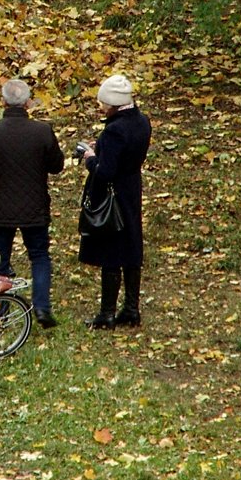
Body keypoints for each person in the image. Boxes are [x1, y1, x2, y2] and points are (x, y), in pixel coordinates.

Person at [0, 79, 65, 328]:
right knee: (40, 256)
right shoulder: (42, 132)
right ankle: (42, 308)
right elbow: (57, 166)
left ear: (3, 102)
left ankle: (0, 310)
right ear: (28, 103)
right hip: (35, 208)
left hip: (0, 209)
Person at [79, 74, 151, 329]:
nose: (100, 107)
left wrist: (90, 157)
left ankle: (106, 314)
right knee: (132, 246)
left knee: (111, 250)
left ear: (112, 103)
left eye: (103, 103)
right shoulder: (142, 122)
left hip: (112, 193)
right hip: (131, 189)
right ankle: (131, 309)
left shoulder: (114, 130)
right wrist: (102, 148)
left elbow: (105, 171)